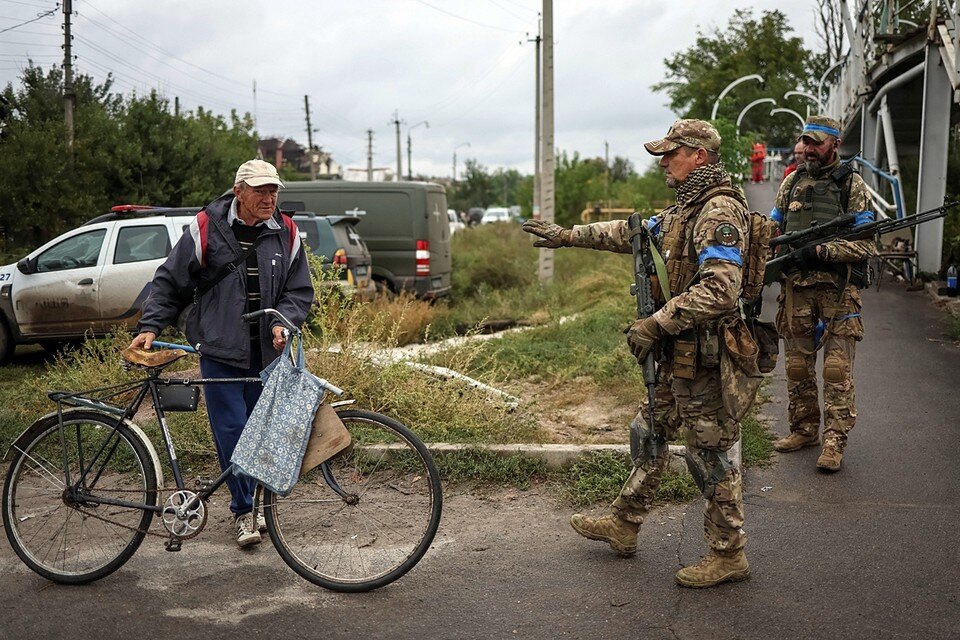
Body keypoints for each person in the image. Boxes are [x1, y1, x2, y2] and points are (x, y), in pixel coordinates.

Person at [522, 119, 754, 588]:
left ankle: (729, 554)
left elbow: (721, 290)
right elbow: (628, 233)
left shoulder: (719, 212)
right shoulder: (683, 210)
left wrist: (655, 323)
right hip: (679, 356)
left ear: (700, 157)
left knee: (708, 454)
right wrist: (567, 236)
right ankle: (625, 524)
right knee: (648, 432)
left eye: (672, 154)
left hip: (707, 358)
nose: (663, 162)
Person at [129, 159, 315, 547]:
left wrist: (283, 322)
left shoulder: (287, 231)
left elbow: (297, 291)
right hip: (220, 348)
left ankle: (262, 507)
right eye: (261, 190)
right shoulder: (205, 228)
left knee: (264, 432)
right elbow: (170, 279)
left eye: (274, 190)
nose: (269, 198)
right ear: (239, 192)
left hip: (268, 352)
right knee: (232, 431)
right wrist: (150, 326)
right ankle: (243, 510)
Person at [768, 115, 875, 472]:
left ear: (834, 145)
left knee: (835, 369)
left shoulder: (852, 185)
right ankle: (803, 429)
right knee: (797, 367)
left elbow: (867, 244)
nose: (809, 150)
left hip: (838, 293)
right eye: (806, 143)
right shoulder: (792, 182)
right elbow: (773, 228)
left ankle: (834, 443)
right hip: (796, 290)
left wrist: (824, 252)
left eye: (816, 143)